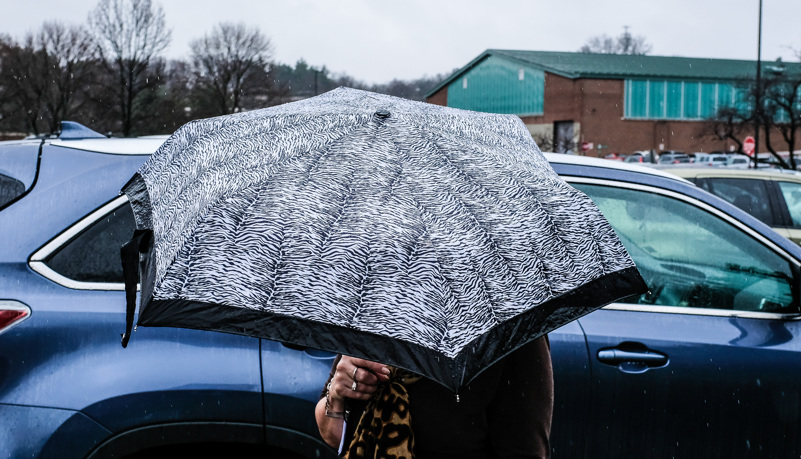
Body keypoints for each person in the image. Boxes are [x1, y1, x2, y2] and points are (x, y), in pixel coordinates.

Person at [315, 335, 553, 459]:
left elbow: (525, 453)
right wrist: (335, 397)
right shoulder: (377, 316)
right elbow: (333, 434)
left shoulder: (506, 335)